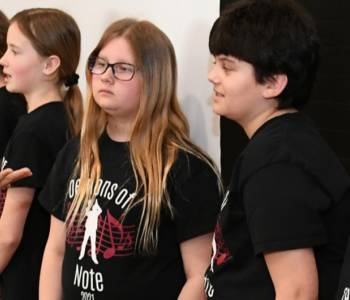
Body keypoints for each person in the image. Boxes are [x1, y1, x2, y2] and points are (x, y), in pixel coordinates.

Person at [39, 18, 221, 300]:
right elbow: (55, 250)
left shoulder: (186, 168)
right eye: (100, 63)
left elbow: (199, 275)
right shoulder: (76, 153)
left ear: (153, 77)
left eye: (123, 69)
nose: (106, 76)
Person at [204, 0, 350, 299]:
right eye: (215, 63)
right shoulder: (278, 144)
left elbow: (296, 291)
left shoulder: (277, 164)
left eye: (227, 67)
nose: (212, 76)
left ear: (273, 83)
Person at [0, 8, 83, 300]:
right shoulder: (64, 119)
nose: (3, 60)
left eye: (14, 51)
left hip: (25, 280)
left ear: (49, 65)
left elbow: (9, 235)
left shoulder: (32, 133)